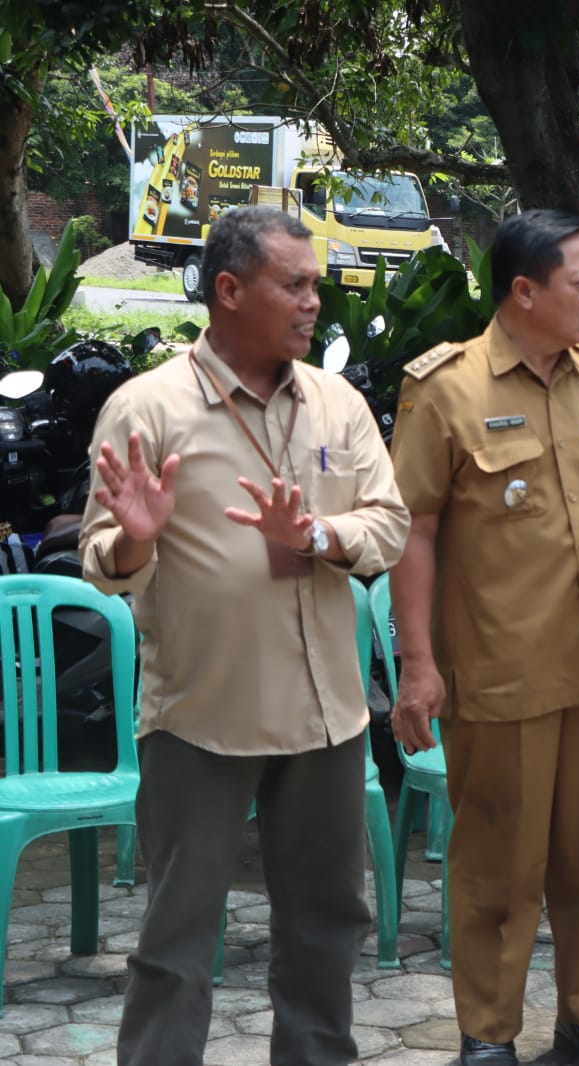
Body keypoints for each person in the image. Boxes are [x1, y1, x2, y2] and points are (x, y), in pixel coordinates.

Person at [79, 205, 410, 1066]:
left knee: (328, 928)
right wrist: (138, 537)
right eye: (294, 285)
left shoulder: (337, 403)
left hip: (328, 717)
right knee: (176, 941)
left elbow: (389, 525)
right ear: (229, 290)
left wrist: (317, 538)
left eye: (315, 285)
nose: (314, 303)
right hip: (203, 715)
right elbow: (101, 562)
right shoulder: (146, 408)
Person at [387, 209, 579, 1066]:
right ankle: (488, 1034)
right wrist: (418, 665)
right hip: (502, 666)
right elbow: (412, 531)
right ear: (523, 291)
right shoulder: (447, 389)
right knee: (499, 861)